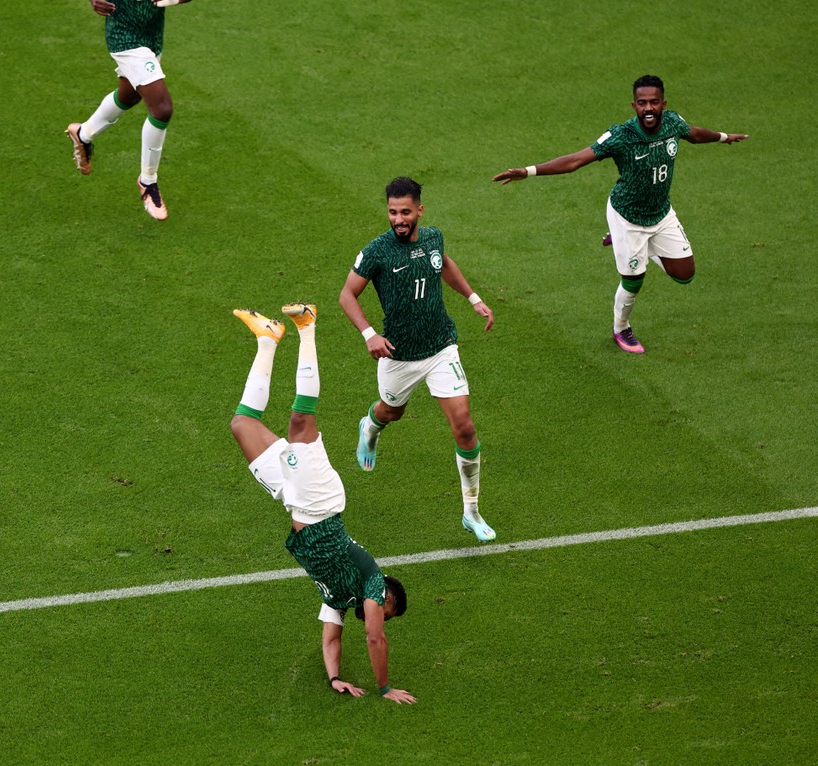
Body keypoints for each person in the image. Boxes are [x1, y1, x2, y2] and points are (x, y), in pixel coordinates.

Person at [230, 302, 415, 704]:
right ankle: (308, 326)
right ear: (386, 599)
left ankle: (267, 337)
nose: (378, 618)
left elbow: (331, 640)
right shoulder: (370, 579)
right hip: (320, 501)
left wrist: (335, 679)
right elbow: (373, 638)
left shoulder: (338, 596)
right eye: (386, 613)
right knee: (300, 422)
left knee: (242, 424)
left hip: (295, 501)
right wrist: (384, 688)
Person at [491, 74, 748, 354]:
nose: (648, 108)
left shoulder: (673, 122)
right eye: (641, 103)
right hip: (627, 216)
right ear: (633, 105)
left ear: (663, 103)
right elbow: (575, 161)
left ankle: (635, 248)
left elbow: (695, 134)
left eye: (654, 102)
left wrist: (723, 137)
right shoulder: (621, 136)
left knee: (685, 275)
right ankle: (621, 328)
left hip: (661, 213)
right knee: (634, 280)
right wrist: (528, 171)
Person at [339, 177, 497, 543]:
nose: (398, 219)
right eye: (393, 212)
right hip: (399, 355)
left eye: (405, 212)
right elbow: (347, 294)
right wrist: (369, 335)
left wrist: (473, 298)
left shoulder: (432, 238)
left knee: (465, 426)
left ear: (419, 210)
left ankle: (471, 512)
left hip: (441, 346)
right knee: (392, 412)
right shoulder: (377, 251)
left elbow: (444, 265)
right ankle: (370, 427)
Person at [65, 0, 193, 221]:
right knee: (162, 109)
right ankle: (148, 181)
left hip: (151, 30)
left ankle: (83, 134)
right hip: (124, 33)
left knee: (130, 94)